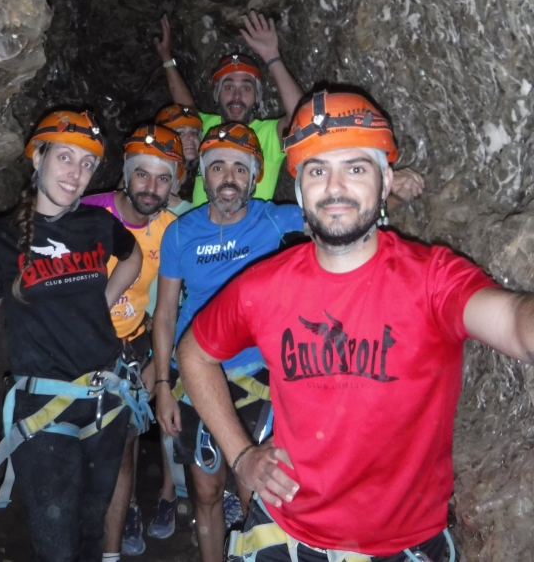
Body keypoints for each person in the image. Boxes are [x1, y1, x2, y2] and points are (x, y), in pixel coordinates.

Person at [176, 90, 534, 562]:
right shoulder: (263, 287)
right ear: (301, 189)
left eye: (356, 168)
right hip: (287, 535)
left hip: (401, 546)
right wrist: (242, 456)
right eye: (318, 170)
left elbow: (512, 321)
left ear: (385, 182)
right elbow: (194, 353)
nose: (336, 186)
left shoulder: (432, 279)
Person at [0, 110, 144, 562]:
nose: (76, 173)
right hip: (42, 406)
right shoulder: (2, 236)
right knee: (56, 543)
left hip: (103, 401)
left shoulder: (96, 224)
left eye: (87, 164)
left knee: (92, 528)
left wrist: (104, 304)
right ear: (38, 158)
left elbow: (131, 258)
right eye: (65, 158)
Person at [153, 122, 305, 562]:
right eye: (217, 167)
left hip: (258, 371)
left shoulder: (275, 218)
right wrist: (163, 385)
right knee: (205, 490)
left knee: (256, 485)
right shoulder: (181, 233)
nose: (228, 178)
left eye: (240, 169)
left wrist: (391, 189)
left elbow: (337, 217)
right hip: (198, 372)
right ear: (204, 175)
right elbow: (164, 314)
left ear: (254, 177)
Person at [154, 13, 425, 209]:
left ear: (257, 96)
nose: (237, 96)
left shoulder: (267, 134)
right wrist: (167, 59)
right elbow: (184, 107)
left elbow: (303, 118)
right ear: (216, 94)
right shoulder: (205, 128)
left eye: (246, 88)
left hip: (250, 243)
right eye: (228, 87)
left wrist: (272, 57)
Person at [82, 124, 184, 557]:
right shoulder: (88, 212)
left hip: (129, 347)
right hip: (77, 347)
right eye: (143, 174)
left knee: (120, 449)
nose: (152, 186)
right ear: (126, 174)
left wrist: (160, 373)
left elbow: (168, 307)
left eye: (163, 177)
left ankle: (111, 545)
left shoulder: (170, 230)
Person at [155, 104, 203, 213]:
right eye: (180, 132)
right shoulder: (143, 175)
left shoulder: (205, 182)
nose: (191, 137)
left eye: (194, 133)